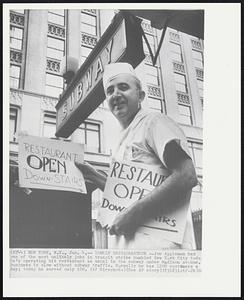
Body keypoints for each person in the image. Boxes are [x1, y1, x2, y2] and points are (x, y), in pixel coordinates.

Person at [75, 62, 198, 250]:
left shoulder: (154, 123)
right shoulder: (119, 140)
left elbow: (186, 175)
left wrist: (133, 213)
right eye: (110, 90)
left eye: (123, 87)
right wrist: (93, 174)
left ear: (140, 96)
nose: (115, 94)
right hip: (130, 253)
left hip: (161, 253)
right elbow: (128, 191)